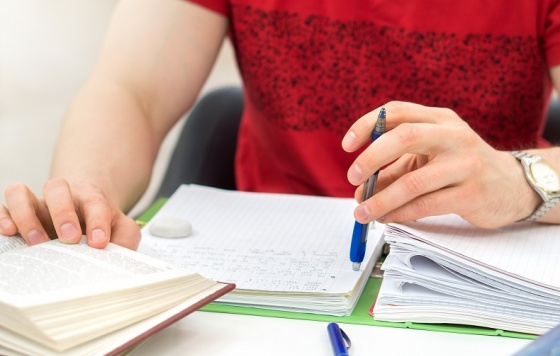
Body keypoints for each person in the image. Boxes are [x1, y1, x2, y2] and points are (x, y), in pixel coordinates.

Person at [2, 0, 560, 251]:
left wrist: (522, 180)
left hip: (479, 272)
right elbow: (131, 91)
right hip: (267, 277)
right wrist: (86, 193)